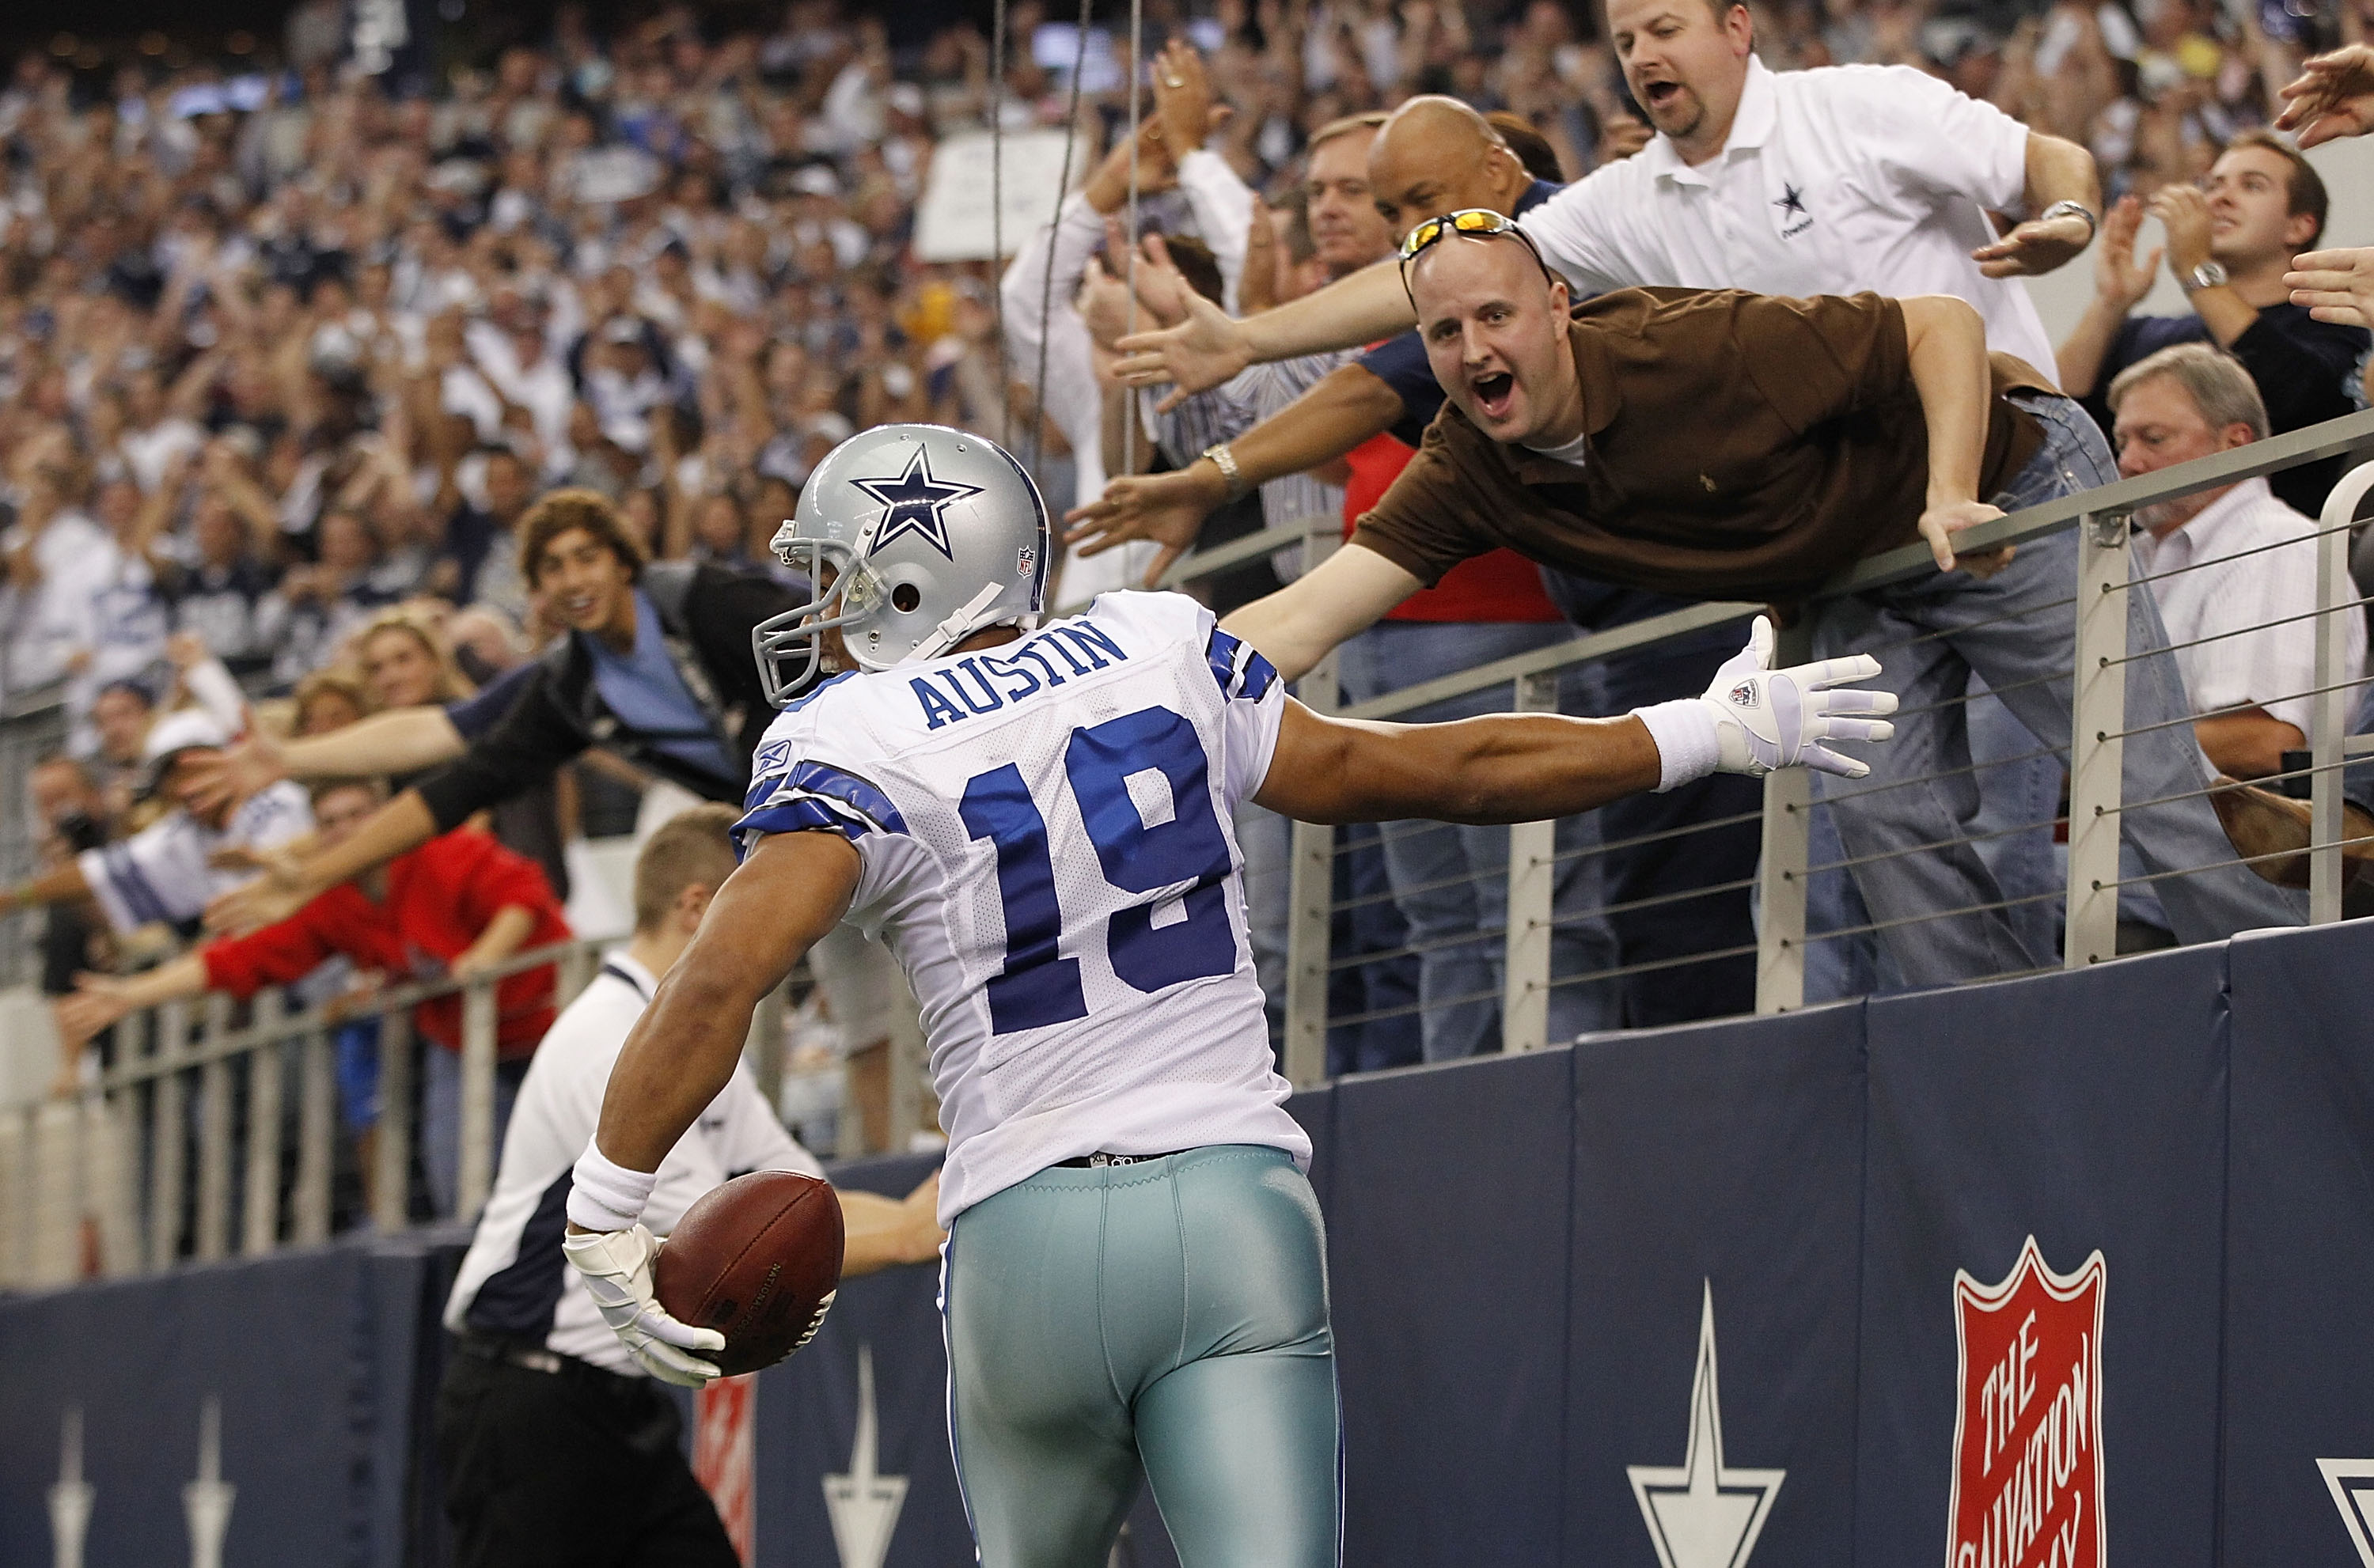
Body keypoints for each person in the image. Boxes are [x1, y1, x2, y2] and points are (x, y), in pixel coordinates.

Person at [553, 423, 1895, 1568]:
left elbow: (723, 968)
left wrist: (609, 1205)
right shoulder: (1159, 646)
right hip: (1230, 1207)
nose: (827, 612)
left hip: (1023, 1231)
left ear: (916, 578)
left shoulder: (852, 738)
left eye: (845, 580)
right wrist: (1705, 732)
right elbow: (1439, 771)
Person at [1223, 218, 2305, 987]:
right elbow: (1313, 614)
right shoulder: (1468, 463)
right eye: (1445, 334)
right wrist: (1138, 659)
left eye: (1496, 315)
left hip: (1999, 496)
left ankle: (2294, 1015)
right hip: (1846, 577)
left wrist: (1949, 489)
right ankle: (2009, 1048)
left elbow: (1940, 325)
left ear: (1559, 308)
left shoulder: (1691, 349)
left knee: (2146, 785)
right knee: (1883, 822)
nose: (1474, 351)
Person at [1109, 0, 2099, 406]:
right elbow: (1438, 276)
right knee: (1888, 839)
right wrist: (1248, 339)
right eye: (1627, 43)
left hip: (2009, 447)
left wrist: (2070, 222)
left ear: (1739, 26)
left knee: (2104, 778)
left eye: (1665, 28)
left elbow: (2044, 156)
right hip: (1843, 514)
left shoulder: (1860, 106)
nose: (1643, 58)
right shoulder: (1626, 202)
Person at [434, 802, 941, 1568]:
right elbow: (716, 1250)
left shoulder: (701, 1046)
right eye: (766, 898)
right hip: (528, 1396)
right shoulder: (609, 1040)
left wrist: (913, 1213)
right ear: (700, 905)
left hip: (611, 1398)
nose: (792, 929)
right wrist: (908, 1230)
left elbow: (801, 1199)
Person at [198, 488, 807, 934]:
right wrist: (309, 855)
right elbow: (454, 775)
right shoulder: (569, 689)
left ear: (624, 562)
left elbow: (832, 636)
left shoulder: (703, 600)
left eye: (586, 557)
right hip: (780, 834)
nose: (573, 578)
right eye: (553, 567)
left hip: (857, 789)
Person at [58, 775, 572, 1217]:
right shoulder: (336, 900)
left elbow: (523, 895)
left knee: (588, 1163)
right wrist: (131, 993)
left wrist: (485, 956)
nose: (346, 829)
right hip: (466, 1046)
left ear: (387, 817)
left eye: (357, 815)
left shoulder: (444, 851)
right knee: (458, 1176)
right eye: (330, 821)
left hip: (553, 1022)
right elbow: (241, 958)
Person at [2056, 132, 2368, 517]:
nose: (2219, 198)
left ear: (2299, 227)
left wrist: (2195, 269)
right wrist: (2110, 303)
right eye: (2212, 185)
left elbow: (2298, 397)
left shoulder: (2332, 319)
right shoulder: (2151, 334)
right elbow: (2060, 416)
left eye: (2252, 185)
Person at [2110, 345, 2366, 782]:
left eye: (2154, 439)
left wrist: (2079, 763)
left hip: (2217, 844)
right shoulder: (2131, 556)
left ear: (2235, 444)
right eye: (2121, 442)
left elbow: (2262, 742)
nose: (2128, 463)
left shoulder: (2275, 547)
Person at [0, 708, 313, 946]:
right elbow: (94, 872)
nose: (185, 786)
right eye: (170, 775)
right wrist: (14, 898)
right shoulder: (181, 833)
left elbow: (316, 866)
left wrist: (260, 859)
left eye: (194, 767)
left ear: (225, 758)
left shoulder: (279, 799)